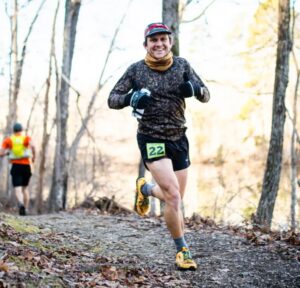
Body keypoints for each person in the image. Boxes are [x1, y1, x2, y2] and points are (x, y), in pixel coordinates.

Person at [108, 22, 210, 270]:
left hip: (179, 138)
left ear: (170, 42)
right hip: (151, 138)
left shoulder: (183, 65)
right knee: (174, 197)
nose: (159, 44)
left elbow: (207, 94)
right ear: (146, 45)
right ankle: (182, 251)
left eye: (163, 39)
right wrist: (130, 98)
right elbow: (112, 99)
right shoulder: (136, 70)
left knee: (174, 198)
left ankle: (146, 189)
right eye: (153, 40)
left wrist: (195, 89)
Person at [0, 123, 35, 216]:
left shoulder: (9, 140)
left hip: (15, 166)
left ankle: (21, 203)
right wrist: (33, 157)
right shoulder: (26, 138)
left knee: (18, 189)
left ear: (13, 130)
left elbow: (1, 152)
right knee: (25, 189)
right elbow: (33, 146)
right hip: (26, 166)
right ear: (21, 130)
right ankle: (25, 209)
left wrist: (7, 153)